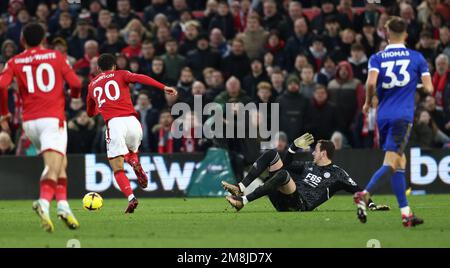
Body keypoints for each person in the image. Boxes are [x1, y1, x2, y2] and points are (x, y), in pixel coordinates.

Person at [0, 23, 82, 232]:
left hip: (30, 123)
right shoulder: (56, 57)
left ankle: (63, 206)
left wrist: (4, 113)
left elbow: (1, 85)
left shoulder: (14, 61)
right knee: (53, 166)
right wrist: (73, 97)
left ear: (22, 40)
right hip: (52, 120)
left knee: (60, 163)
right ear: (44, 39)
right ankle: (43, 203)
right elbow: (76, 84)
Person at [354, 17, 434, 227]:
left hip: (384, 116)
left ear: (387, 34)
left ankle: (406, 215)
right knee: (391, 163)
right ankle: (364, 194)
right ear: (406, 35)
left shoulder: (377, 57)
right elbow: (429, 89)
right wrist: (412, 85)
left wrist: (369, 101)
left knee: (399, 163)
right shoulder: (416, 58)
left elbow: (370, 82)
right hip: (402, 116)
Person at [86, 53, 177, 213]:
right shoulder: (122, 74)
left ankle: (131, 197)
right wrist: (163, 87)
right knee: (131, 151)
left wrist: (99, 108)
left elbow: (89, 112)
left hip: (115, 124)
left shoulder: (92, 85)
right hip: (133, 122)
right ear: (114, 66)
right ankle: (134, 162)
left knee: (117, 167)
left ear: (99, 69)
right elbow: (141, 78)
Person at [223, 134, 387, 212]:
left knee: (283, 176)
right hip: (283, 199)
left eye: (315, 150)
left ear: (323, 153)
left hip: (300, 205)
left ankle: (243, 201)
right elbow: (285, 165)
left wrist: (372, 205)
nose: (313, 153)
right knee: (271, 154)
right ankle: (241, 187)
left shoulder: (337, 173)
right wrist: (293, 147)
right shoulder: (308, 165)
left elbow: (357, 188)